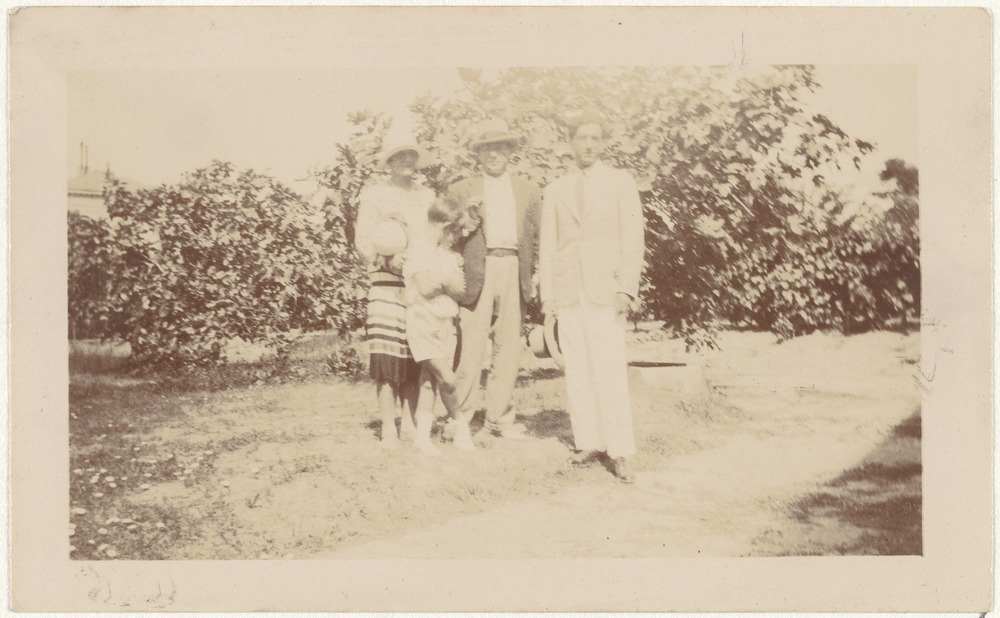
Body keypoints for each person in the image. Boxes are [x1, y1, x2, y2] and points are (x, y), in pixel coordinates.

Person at [538, 111, 645, 483]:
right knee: (578, 370)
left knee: (609, 368)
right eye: (581, 138)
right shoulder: (556, 189)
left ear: (603, 143)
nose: (587, 145)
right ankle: (588, 441)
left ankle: (620, 450)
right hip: (569, 290)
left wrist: (625, 287)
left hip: (605, 290)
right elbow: (548, 246)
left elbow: (632, 239)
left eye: (594, 138)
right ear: (570, 142)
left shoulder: (620, 182)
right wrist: (548, 296)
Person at [448, 118, 542, 445]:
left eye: (499, 148)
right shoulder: (461, 189)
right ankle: (459, 419)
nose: (493, 155)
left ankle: (500, 419)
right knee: (470, 347)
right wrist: (468, 220)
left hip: (514, 266)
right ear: (478, 153)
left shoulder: (529, 190)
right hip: (477, 268)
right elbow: (448, 234)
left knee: (508, 348)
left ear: (509, 152)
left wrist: (535, 274)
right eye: (487, 149)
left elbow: (536, 236)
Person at [354, 140, 435, 449]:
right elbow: (363, 240)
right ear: (388, 162)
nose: (406, 161)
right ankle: (389, 425)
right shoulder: (375, 195)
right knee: (387, 358)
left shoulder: (427, 196)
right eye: (399, 156)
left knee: (415, 355)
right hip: (386, 285)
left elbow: (432, 236)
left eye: (411, 156)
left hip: (417, 283)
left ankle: (409, 422)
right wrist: (387, 259)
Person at [402, 195, 469, 455]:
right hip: (422, 321)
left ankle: (422, 438)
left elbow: (461, 291)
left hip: (445, 322)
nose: (458, 237)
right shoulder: (419, 249)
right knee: (447, 378)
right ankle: (460, 425)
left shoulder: (447, 254)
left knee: (429, 380)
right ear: (445, 227)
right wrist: (445, 280)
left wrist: (440, 279)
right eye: (456, 231)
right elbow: (427, 288)